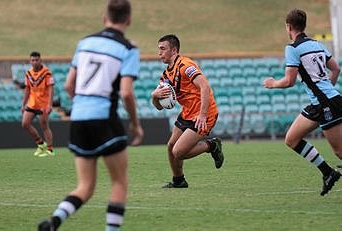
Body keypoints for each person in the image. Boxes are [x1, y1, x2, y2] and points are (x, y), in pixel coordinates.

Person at [37, 0, 144, 230]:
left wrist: (83, 105)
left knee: (85, 186)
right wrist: (136, 125)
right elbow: (126, 93)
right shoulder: (128, 48)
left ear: (104, 17)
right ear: (129, 20)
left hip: (79, 117)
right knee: (119, 182)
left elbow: (68, 85)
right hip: (104, 118)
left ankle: (54, 221)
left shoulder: (85, 43)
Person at [263, 9, 342, 196]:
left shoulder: (292, 48)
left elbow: (289, 81)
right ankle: (328, 172)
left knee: (340, 152)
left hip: (325, 104)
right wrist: (326, 92)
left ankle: (329, 172)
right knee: (291, 139)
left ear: (288, 27)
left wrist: (273, 83)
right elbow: (336, 69)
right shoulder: (317, 44)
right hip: (324, 103)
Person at [151, 34, 224, 188]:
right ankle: (179, 180)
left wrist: (203, 115)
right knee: (171, 146)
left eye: (163, 49)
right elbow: (159, 107)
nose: (159, 53)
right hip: (187, 112)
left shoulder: (186, 65)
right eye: (159, 49)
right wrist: (155, 97)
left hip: (204, 113)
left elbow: (205, 86)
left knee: (178, 152)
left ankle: (212, 146)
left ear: (174, 50)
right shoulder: (165, 76)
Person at [21, 51, 55, 157]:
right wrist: (23, 104)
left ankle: (50, 149)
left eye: (36, 60)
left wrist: (50, 104)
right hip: (32, 103)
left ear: (40, 60)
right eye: (32, 60)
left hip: (43, 104)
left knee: (44, 126)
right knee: (25, 124)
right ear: (30, 61)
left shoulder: (47, 73)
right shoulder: (28, 73)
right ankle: (40, 143)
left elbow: (51, 89)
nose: (35, 62)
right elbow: (27, 89)